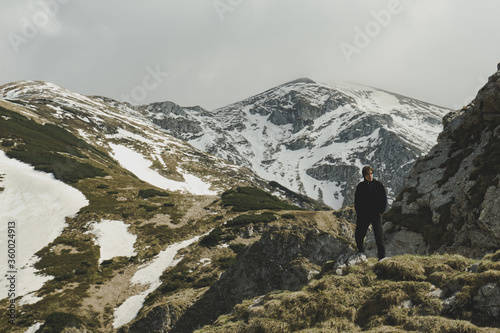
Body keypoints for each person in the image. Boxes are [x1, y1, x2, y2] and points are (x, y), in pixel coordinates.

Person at [354, 166, 388, 260]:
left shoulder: (378, 185)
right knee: (359, 235)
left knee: (379, 237)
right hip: (363, 215)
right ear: (364, 175)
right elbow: (357, 201)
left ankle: (382, 258)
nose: (370, 176)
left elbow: (384, 199)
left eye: (371, 173)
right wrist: (359, 212)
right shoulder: (360, 186)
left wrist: (381, 212)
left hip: (375, 215)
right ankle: (361, 253)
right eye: (367, 174)